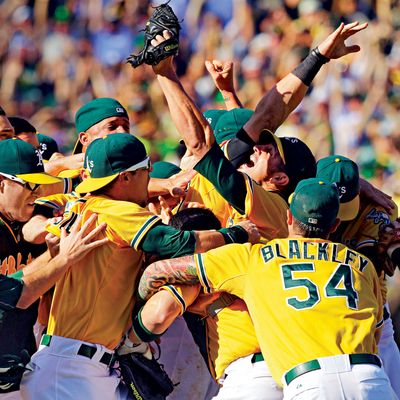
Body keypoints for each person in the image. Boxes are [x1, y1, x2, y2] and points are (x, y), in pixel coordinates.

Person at [20, 133, 259, 400]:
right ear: (124, 177)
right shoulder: (116, 210)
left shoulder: (81, 204)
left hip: (78, 362)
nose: (149, 176)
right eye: (145, 170)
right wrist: (236, 234)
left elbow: (36, 223)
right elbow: (178, 243)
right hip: (72, 369)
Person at [138, 178, 396, 399]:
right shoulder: (362, 265)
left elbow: (158, 272)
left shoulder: (255, 257)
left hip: (304, 379)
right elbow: (377, 330)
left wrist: (141, 297)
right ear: (335, 225)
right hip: (370, 377)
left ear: (289, 216)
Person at [0, 138, 105, 399]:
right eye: (30, 184)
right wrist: (62, 258)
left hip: (15, 370)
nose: (37, 193)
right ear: (1, 183)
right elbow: (13, 294)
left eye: (40, 184)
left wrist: (55, 253)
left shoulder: (26, 220)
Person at [315, 154, 400, 397]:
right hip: (318, 312)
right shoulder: (301, 197)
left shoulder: (376, 209)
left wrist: (386, 249)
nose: (340, 217)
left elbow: (368, 268)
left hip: (370, 319)